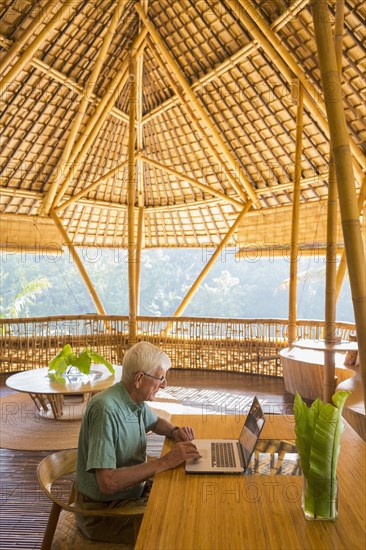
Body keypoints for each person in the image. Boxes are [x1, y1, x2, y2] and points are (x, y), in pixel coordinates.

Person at [75, 341, 200, 543]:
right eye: (161, 378)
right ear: (140, 378)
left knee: (188, 500)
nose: (164, 384)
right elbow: (107, 483)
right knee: (180, 528)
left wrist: (175, 431)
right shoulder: (105, 410)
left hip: (132, 494)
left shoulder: (132, 398)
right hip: (104, 512)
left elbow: (155, 422)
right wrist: (164, 462)